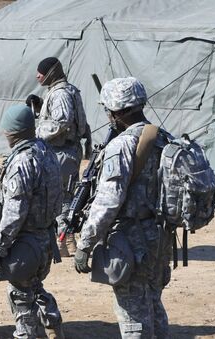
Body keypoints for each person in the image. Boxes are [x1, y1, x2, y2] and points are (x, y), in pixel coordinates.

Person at [74, 77, 173, 338]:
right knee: (153, 303)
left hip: (132, 240)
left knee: (132, 314)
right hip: (160, 237)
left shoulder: (122, 145)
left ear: (117, 112)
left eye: (108, 110)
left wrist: (85, 243)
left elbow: (108, 201)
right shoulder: (163, 138)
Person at [0, 104, 65, 339]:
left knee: (20, 296)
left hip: (25, 242)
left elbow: (14, 212)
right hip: (46, 237)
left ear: (13, 132)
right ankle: (53, 325)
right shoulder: (46, 151)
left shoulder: (21, 161)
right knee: (34, 287)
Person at [26, 56, 91, 257]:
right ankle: (66, 241)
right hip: (65, 152)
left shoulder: (61, 93)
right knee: (64, 195)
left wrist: (34, 133)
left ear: (51, 73)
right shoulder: (63, 91)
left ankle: (65, 240)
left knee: (62, 196)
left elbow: (61, 122)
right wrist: (40, 105)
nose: (38, 76)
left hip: (62, 152)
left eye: (41, 72)